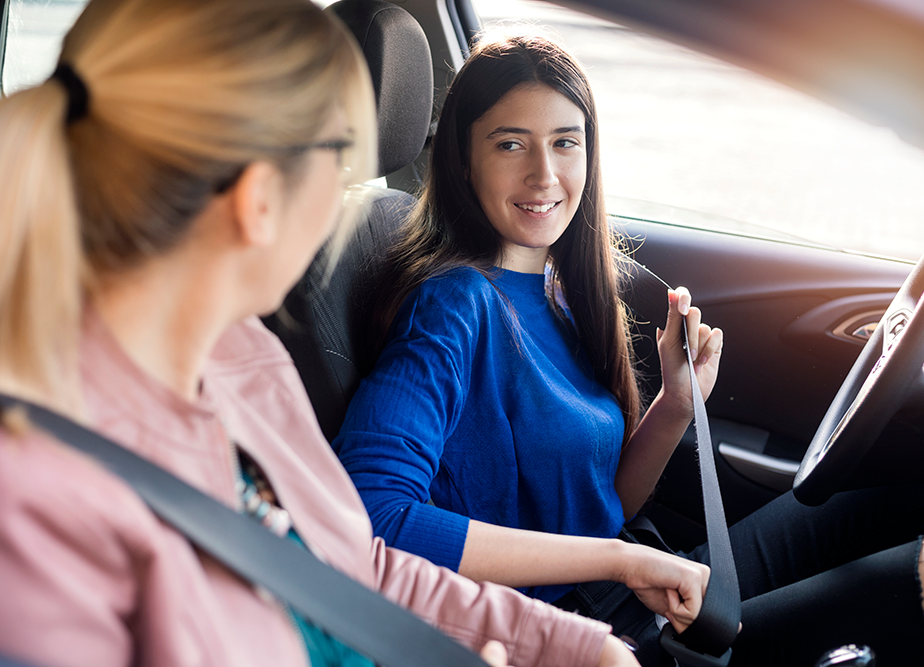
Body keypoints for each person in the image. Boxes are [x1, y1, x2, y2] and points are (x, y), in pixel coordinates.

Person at [0, 2, 642, 666]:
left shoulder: (246, 358)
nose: (345, 197)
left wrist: (574, 645)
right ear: (259, 200)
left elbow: (355, 566)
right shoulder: (32, 503)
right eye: (338, 160)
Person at [334, 31, 924, 666]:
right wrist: (621, 562)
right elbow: (373, 518)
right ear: (462, 157)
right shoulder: (455, 305)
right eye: (511, 144)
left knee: (905, 497)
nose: (544, 172)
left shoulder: (557, 287)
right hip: (581, 637)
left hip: (634, 581)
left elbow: (604, 507)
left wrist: (678, 403)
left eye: (566, 142)